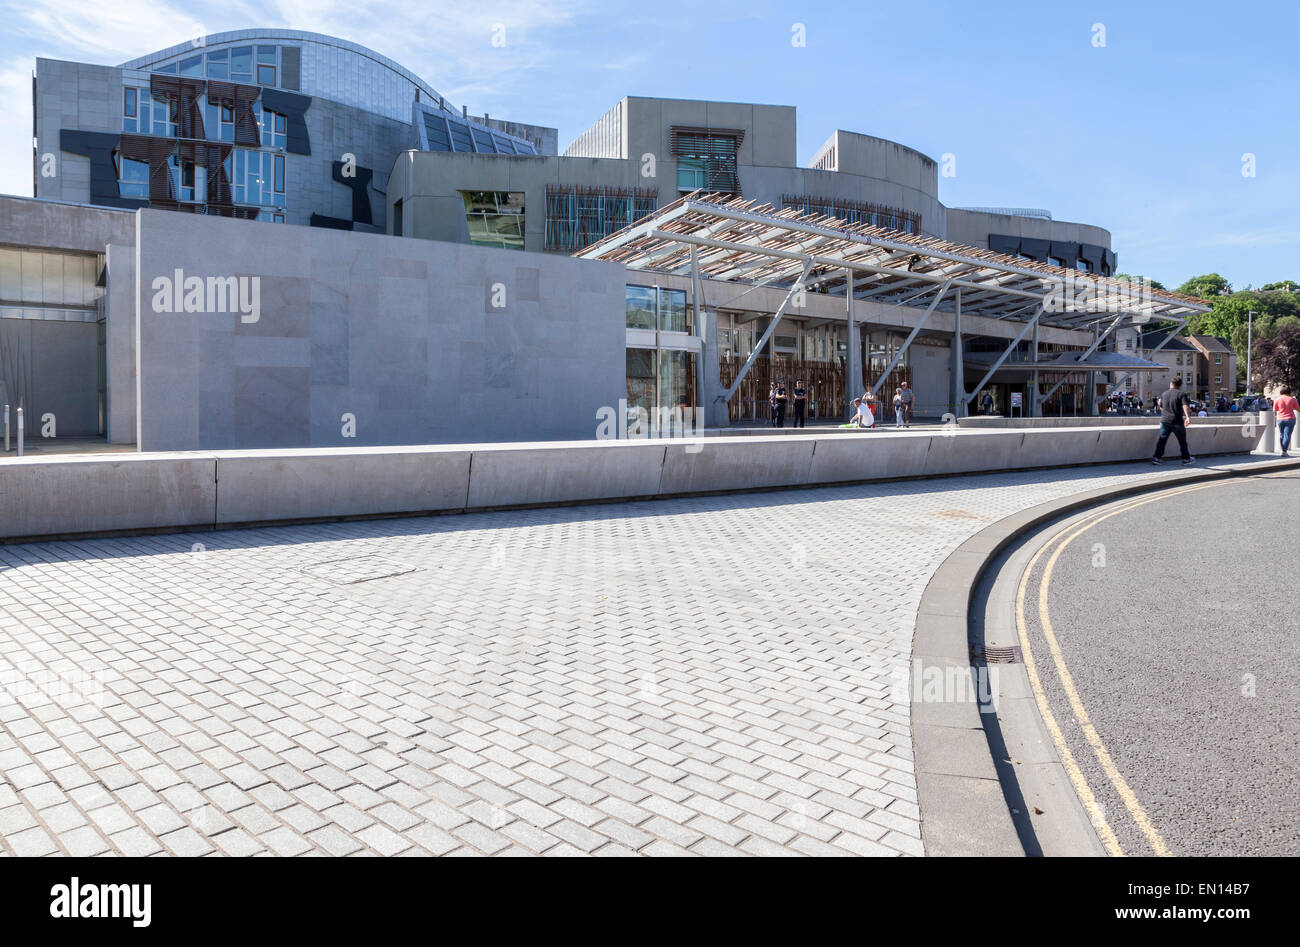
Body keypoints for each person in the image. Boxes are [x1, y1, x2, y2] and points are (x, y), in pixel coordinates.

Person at [1152, 377, 1195, 465]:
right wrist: (1187, 417)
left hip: (1165, 421)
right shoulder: (1181, 394)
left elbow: (1161, 407)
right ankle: (1186, 459)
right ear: (1180, 385)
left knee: (1162, 440)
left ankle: (1156, 458)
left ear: (1171, 384)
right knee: (1182, 441)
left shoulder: (1164, 394)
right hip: (1177, 421)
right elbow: (1185, 406)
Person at [1273, 386, 1298, 456]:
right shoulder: (1292, 399)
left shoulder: (1277, 399)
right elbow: (1298, 409)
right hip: (1290, 418)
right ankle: (1284, 451)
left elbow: (1274, 410)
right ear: (1289, 391)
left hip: (1280, 419)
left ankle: (1282, 450)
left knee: (1281, 435)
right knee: (1287, 435)